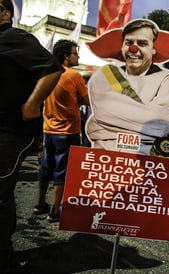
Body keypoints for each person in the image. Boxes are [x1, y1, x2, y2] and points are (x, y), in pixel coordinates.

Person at [0, 0, 63, 271]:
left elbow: (52, 69)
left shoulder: (14, 36)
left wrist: (32, 104)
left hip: (10, 132)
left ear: (5, 12)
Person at [85, 19, 169, 157]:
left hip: (146, 164)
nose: (134, 48)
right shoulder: (102, 77)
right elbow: (103, 114)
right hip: (105, 163)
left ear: (153, 49)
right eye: (129, 43)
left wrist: (106, 128)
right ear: (122, 47)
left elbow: (162, 126)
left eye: (142, 43)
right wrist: (145, 129)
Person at [33, 39, 89, 223]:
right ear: (66, 56)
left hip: (48, 129)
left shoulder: (47, 72)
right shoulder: (74, 76)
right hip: (67, 131)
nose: (78, 55)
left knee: (45, 167)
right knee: (62, 170)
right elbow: (87, 100)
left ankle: (40, 203)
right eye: (75, 52)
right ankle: (55, 210)